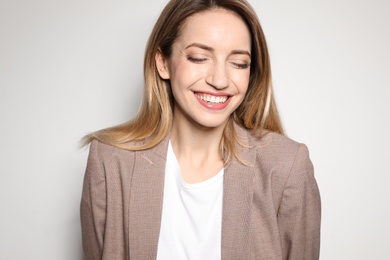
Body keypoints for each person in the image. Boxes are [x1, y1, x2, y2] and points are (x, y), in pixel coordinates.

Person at [80, 0, 321, 259]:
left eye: (239, 63)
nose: (219, 80)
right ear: (163, 62)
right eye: (199, 58)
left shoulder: (287, 167)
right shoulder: (109, 161)